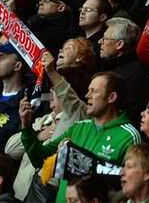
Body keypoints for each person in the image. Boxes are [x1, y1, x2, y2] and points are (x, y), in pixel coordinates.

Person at [20, 71, 141, 200]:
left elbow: (131, 187)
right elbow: (39, 159)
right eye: (88, 90)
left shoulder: (129, 136)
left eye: (94, 91)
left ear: (112, 97)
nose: (87, 95)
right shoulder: (78, 128)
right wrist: (26, 127)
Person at [99, 18, 149, 125]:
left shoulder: (136, 73)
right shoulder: (109, 67)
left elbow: (132, 113)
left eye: (105, 38)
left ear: (119, 44)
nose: (100, 41)